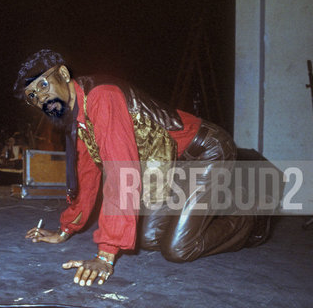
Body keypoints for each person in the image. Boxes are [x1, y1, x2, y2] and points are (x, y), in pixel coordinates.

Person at [15, 49, 270, 287]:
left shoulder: (102, 97)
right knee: (147, 239)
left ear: (63, 74)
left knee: (179, 249)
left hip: (205, 151)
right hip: (170, 165)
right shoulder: (78, 119)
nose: (41, 98)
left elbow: (120, 173)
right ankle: (206, 203)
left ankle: (249, 218)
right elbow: (88, 173)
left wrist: (106, 254)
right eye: (32, 97)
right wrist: (65, 229)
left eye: (43, 85)